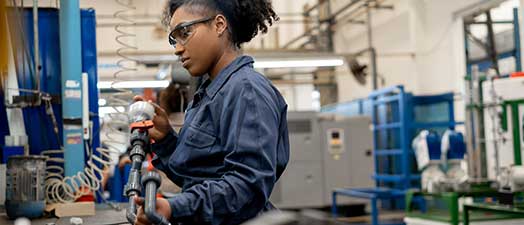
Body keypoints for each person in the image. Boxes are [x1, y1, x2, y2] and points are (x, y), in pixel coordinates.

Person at [133, 0, 289, 225]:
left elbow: (247, 187)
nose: (177, 48)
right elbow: (198, 176)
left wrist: (175, 207)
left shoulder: (246, 91)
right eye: (173, 39)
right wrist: (166, 140)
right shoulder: (208, 94)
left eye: (184, 32)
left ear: (219, 25)